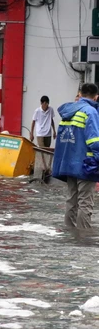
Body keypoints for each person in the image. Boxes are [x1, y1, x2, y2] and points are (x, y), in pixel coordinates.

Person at [52, 83, 99, 229]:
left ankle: (69, 234)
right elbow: (95, 141)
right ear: (96, 97)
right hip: (86, 164)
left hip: (69, 164)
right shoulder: (90, 112)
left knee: (71, 200)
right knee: (85, 203)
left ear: (80, 94)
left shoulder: (69, 111)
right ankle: (82, 239)